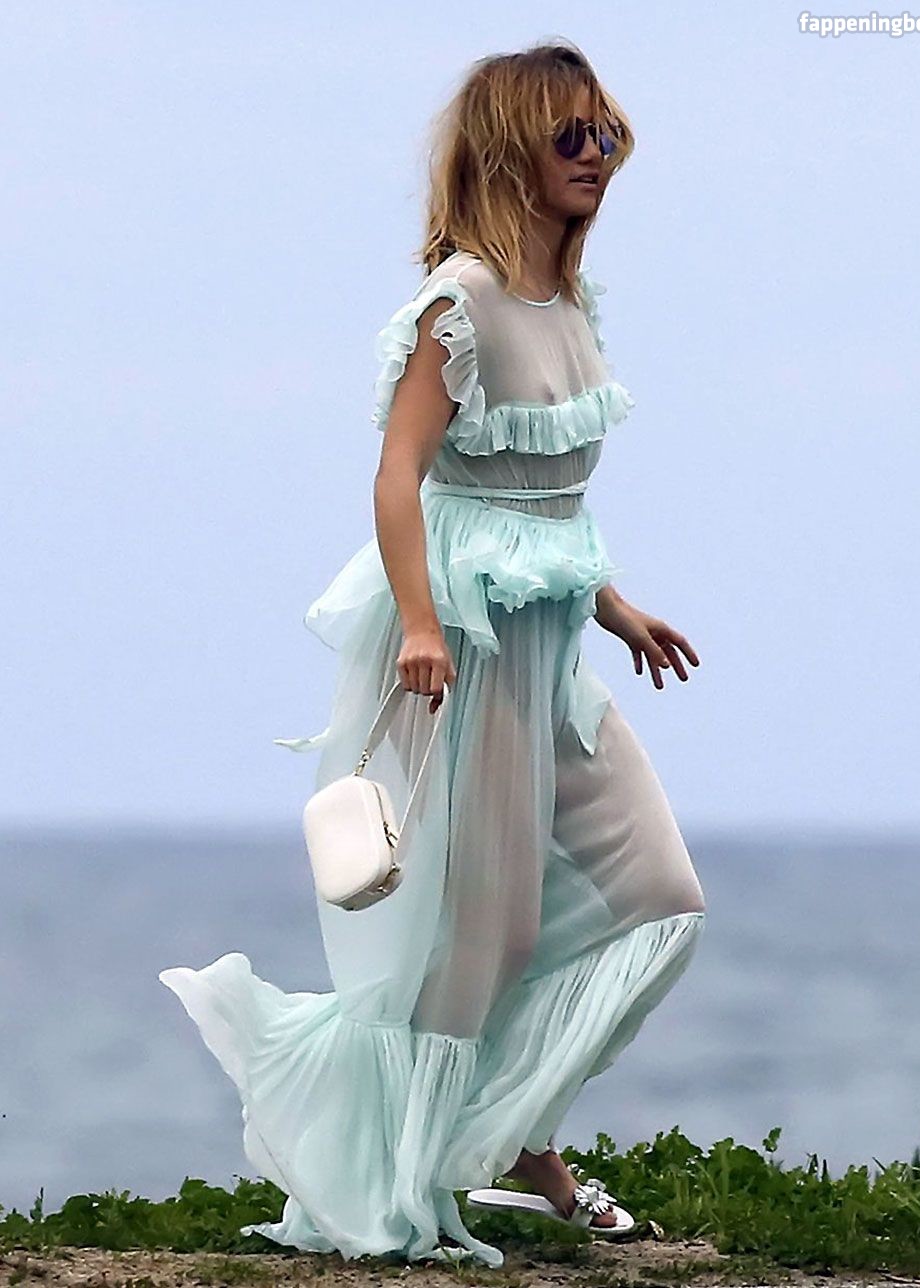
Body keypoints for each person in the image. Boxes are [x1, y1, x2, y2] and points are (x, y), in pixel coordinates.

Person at [159, 39, 707, 1270]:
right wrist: (416, 620)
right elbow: (402, 474)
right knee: (480, 937)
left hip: (549, 650)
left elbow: (536, 496)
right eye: (569, 135)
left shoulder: (569, 304)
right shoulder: (456, 306)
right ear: (511, 151)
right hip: (461, 647)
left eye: (607, 134)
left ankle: (504, 1136)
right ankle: (460, 1170)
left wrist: (615, 606)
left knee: (657, 894)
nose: (595, 157)